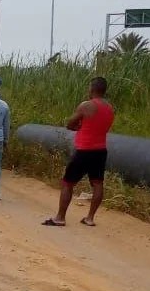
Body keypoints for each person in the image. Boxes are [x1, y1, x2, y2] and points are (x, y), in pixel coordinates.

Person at [43, 76, 114, 227]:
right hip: (101, 150)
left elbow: (70, 123)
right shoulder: (109, 108)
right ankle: (90, 218)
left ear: (92, 89)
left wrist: (78, 127)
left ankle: (60, 217)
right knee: (97, 183)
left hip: (84, 150)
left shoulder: (86, 105)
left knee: (68, 183)